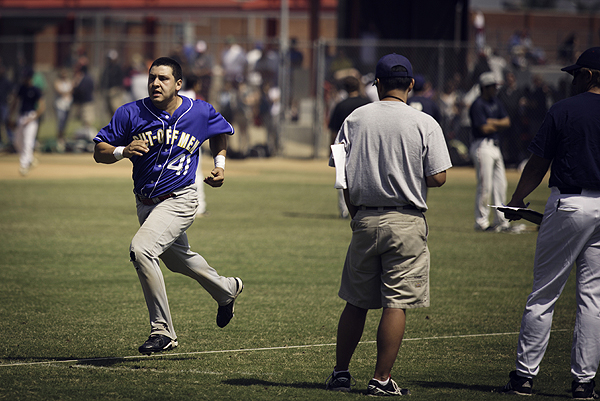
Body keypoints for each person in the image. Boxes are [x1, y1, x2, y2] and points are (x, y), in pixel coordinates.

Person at [92, 57, 243, 355]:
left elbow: (220, 132)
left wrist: (221, 165)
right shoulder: (130, 112)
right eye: (152, 78)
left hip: (180, 199)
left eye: (162, 78)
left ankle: (163, 331)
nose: (155, 84)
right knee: (178, 261)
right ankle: (227, 290)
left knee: (142, 250)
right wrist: (122, 150)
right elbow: (99, 150)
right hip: (145, 203)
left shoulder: (198, 111)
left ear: (178, 84)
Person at [326, 53, 452, 396]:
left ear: (377, 83)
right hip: (406, 218)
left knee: (355, 301)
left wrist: (356, 214)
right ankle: (381, 380)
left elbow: (341, 174)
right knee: (396, 301)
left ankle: (340, 373)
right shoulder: (423, 121)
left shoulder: (355, 117)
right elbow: (438, 177)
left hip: (365, 217)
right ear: (411, 84)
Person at [497, 47, 600, 399]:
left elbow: (539, 163)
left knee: (544, 293)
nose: (572, 79)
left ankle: (524, 377)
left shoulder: (565, 109)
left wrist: (516, 200)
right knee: (592, 299)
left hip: (570, 204)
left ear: (589, 75)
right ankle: (584, 383)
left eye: (576, 74)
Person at [469, 71, 516, 232]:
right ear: (484, 87)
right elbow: (484, 128)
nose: (495, 89)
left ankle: (501, 221)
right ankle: (481, 222)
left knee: (501, 185)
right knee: (485, 186)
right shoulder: (477, 104)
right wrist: (496, 124)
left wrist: (492, 122)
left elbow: (507, 122)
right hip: (482, 146)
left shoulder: (496, 102)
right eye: (492, 87)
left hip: (495, 146)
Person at [328, 75, 371, 219]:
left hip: (345, 146)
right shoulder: (367, 103)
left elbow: (334, 129)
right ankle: (366, 206)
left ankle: (345, 210)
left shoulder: (341, 105)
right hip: (365, 145)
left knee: (343, 178)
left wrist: (332, 148)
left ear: (345, 89)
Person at [9, 68, 45, 176]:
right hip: (21, 116)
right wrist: (11, 117)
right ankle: (30, 159)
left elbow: (42, 106)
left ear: (30, 77)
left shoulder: (36, 90)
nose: (24, 78)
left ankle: (24, 165)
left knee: (28, 141)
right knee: (17, 142)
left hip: (31, 116)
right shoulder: (21, 88)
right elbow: (15, 102)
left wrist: (33, 118)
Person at [53, 67, 73, 152]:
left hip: (67, 105)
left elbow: (72, 90)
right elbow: (59, 90)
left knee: (65, 122)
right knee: (60, 121)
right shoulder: (57, 82)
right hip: (60, 105)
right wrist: (66, 92)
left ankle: (63, 138)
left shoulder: (69, 82)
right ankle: (59, 138)